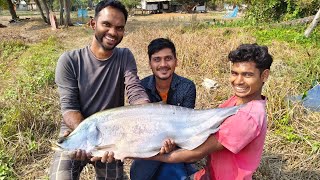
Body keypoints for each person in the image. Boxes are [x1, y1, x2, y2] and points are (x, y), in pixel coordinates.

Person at [49, 0, 149, 179]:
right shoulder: (70, 61)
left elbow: (135, 90)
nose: (113, 32)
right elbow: (70, 108)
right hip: (76, 131)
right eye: (107, 25)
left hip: (112, 132)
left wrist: (147, 112)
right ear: (93, 24)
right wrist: (84, 138)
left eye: (119, 28)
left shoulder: (125, 56)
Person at [147, 43, 273, 180]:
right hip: (209, 175)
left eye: (247, 75)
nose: (238, 81)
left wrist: (145, 154)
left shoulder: (247, 117)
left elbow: (195, 153)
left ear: (264, 75)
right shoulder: (236, 101)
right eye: (234, 73)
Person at [130, 38, 197, 180]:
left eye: (168, 59)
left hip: (177, 145)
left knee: (181, 174)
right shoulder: (141, 87)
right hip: (149, 147)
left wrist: (172, 144)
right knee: (138, 175)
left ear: (176, 61)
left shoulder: (187, 87)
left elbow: (185, 126)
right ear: (150, 64)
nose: (163, 65)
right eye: (157, 59)